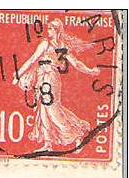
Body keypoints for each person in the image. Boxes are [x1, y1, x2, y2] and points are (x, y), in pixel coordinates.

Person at [14, 18, 100, 152]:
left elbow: (76, 64)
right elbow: (32, 60)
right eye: (48, 28)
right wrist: (18, 74)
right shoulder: (47, 44)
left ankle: (76, 134)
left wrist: (90, 71)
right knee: (43, 109)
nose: (48, 31)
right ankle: (48, 144)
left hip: (50, 78)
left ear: (57, 30)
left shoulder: (57, 46)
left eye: (51, 28)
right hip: (42, 78)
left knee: (53, 110)